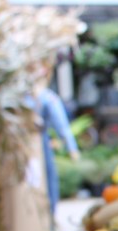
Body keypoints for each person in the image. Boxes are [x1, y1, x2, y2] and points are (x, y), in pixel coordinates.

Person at [31, 69, 80, 216]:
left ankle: (44, 218)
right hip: (39, 143)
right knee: (48, 178)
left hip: (25, 145)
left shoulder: (27, 97)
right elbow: (62, 125)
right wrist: (72, 148)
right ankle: (50, 217)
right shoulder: (47, 97)